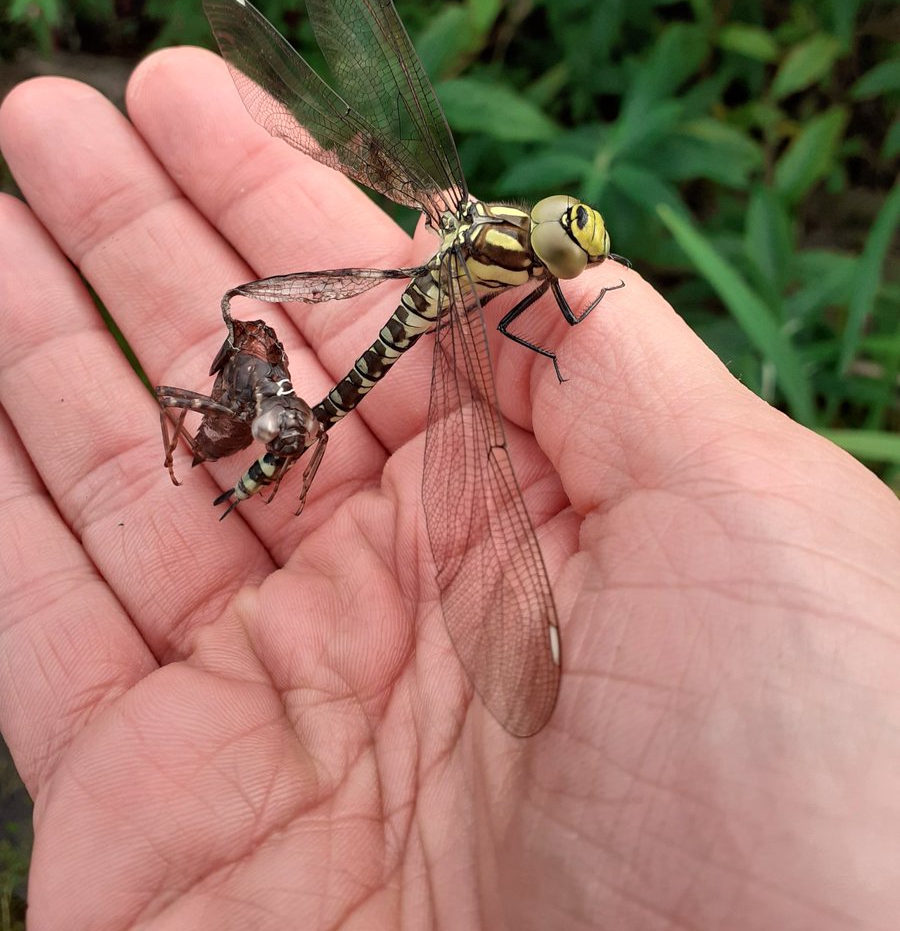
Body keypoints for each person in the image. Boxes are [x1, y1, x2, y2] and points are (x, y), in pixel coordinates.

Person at [1, 48, 898, 931]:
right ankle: (265, 465)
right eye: (564, 238)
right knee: (349, 392)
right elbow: (528, 325)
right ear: (540, 237)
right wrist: (560, 329)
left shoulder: (487, 234)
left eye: (573, 242)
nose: (570, 249)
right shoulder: (519, 280)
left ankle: (261, 468)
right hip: (415, 317)